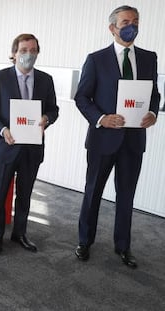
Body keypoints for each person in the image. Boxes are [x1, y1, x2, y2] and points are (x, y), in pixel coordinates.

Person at [74, 5, 160, 268]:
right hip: (103, 140)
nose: (130, 26)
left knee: (126, 196)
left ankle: (123, 246)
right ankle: (84, 241)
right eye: (125, 21)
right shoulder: (96, 59)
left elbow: (154, 94)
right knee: (93, 192)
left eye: (135, 21)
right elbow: (82, 97)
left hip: (133, 141)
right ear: (112, 28)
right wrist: (101, 118)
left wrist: (153, 113)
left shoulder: (149, 57)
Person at [0, 34, 59, 255]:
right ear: (14, 53)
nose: (29, 54)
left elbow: (53, 109)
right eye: (24, 50)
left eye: (33, 50)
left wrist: (47, 119)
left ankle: (20, 233)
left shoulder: (46, 80)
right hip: (5, 147)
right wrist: (3, 130)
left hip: (32, 149)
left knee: (25, 195)